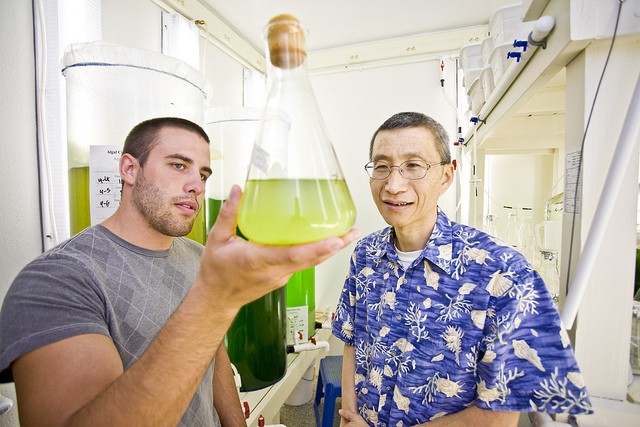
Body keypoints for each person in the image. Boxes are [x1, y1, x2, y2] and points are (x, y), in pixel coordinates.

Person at [0, 117, 358, 427]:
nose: (197, 185)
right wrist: (215, 299)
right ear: (128, 169)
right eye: (177, 165)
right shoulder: (56, 281)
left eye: (203, 173)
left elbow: (213, 357)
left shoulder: (197, 257)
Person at [332, 112, 592, 426]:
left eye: (413, 166)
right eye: (382, 166)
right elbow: (351, 341)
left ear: (446, 176)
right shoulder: (365, 255)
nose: (394, 184)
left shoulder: (505, 272)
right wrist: (350, 415)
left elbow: (498, 418)